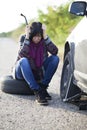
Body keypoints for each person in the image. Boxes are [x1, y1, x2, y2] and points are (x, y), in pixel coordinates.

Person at [12, 22, 59, 105]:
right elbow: (21, 55)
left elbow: (55, 51)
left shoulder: (44, 39)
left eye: (39, 36)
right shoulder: (24, 37)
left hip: (37, 71)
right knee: (23, 60)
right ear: (31, 34)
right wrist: (27, 37)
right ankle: (37, 91)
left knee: (55, 59)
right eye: (35, 36)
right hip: (22, 70)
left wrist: (45, 36)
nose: (37, 38)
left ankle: (43, 88)